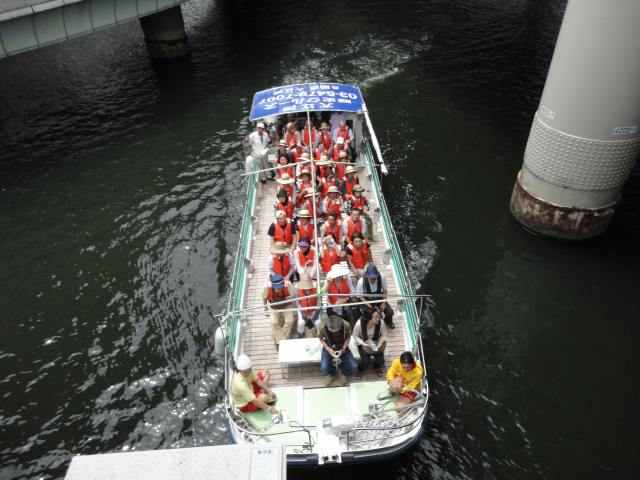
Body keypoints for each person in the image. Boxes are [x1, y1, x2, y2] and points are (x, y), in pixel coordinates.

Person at [319, 313, 358, 387]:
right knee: (324, 368)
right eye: (332, 331)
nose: (334, 333)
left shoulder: (346, 325)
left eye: (336, 331)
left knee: (353, 367)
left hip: (342, 346)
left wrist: (343, 349)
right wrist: (329, 349)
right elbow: (321, 339)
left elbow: (348, 337)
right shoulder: (322, 326)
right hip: (329, 347)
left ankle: (343, 373)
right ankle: (331, 374)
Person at [356, 264, 395, 329]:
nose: (373, 280)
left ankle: (388, 322)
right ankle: (371, 325)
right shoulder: (361, 282)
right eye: (371, 278)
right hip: (367, 300)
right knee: (370, 314)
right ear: (367, 276)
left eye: (374, 278)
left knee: (390, 312)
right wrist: (369, 305)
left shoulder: (382, 277)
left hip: (379, 298)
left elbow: (385, 291)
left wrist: (383, 302)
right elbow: (360, 297)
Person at [263, 274, 296, 348]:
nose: (278, 289)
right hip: (274, 306)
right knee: (273, 322)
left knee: (290, 321)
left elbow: (293, 295)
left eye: (280, 287)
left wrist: (288, 298)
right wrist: (265, 308)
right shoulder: (267, 287)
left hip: (286, 305)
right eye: (276, 288)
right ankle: (281, 340)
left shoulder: (288, 285)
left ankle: (280, 339)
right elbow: (264, 298)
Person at [352, 309, 387, 375]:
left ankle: (377, 367)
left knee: (381, 361)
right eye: (375, 317)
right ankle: (360, 369)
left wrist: (379, 345)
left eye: (378, 316)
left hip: (376, 342)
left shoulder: (381, 322)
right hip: (364, 344)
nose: (378, 319)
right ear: (369, 319)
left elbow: (384, 335)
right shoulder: (359, 324)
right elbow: (355, 336)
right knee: (366, 362)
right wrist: (363, 344)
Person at [295, 273, 320, 338]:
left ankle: (319, 335)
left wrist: (314, 313)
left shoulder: (316, 289)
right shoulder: (298, 291)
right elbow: (298, 304)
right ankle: (300, 334)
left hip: (314, 311)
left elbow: (318, 303)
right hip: (303, 311)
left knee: (318, 323)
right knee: (301, 323)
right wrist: (304, 313)